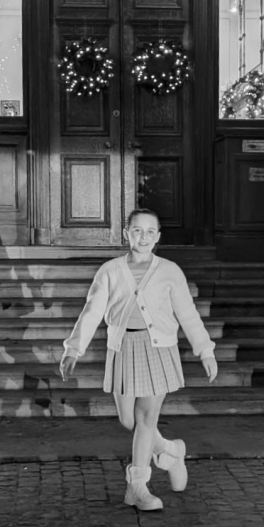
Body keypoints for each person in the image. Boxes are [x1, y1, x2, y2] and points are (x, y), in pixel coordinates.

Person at [59, 208, 218, 511]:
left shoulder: (170, 271)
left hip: (158, 349)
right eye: (137, 230)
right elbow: (92, 312)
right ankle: (170, 451)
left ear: (158, 236)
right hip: (122, 348)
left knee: (145, 420)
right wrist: (73, 349)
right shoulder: (110, 270)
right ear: (126, 234)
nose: (143, 237)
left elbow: (187, 313)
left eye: (149, 231)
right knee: (128, 420)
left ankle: (137, 487)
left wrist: (205, 350)